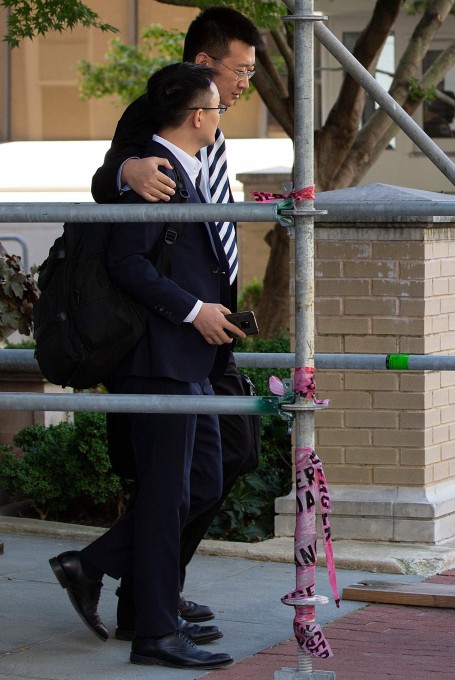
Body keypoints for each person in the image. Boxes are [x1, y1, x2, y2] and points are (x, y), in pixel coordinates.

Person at [49, 62, 243, 670]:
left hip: (190, 358)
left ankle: (97, 565)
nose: (219, 117)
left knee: (201, 484)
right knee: (166, 496)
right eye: (217, 107)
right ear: (196, 116)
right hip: (160, 357)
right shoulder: (155, 173)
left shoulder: (185, 171)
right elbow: (129, 263)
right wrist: (193, 312)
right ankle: (155, 633)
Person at [90, 6, 265, 637]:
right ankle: (145, 600)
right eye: (239, 70)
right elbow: (114, 207)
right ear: (203, 69)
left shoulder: (209, 136)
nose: (246, 83)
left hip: (208, 335)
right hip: (164, 338)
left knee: (218, 467)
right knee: (175, 479)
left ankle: (139, 582)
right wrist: (123, 172)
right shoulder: (155, 121)